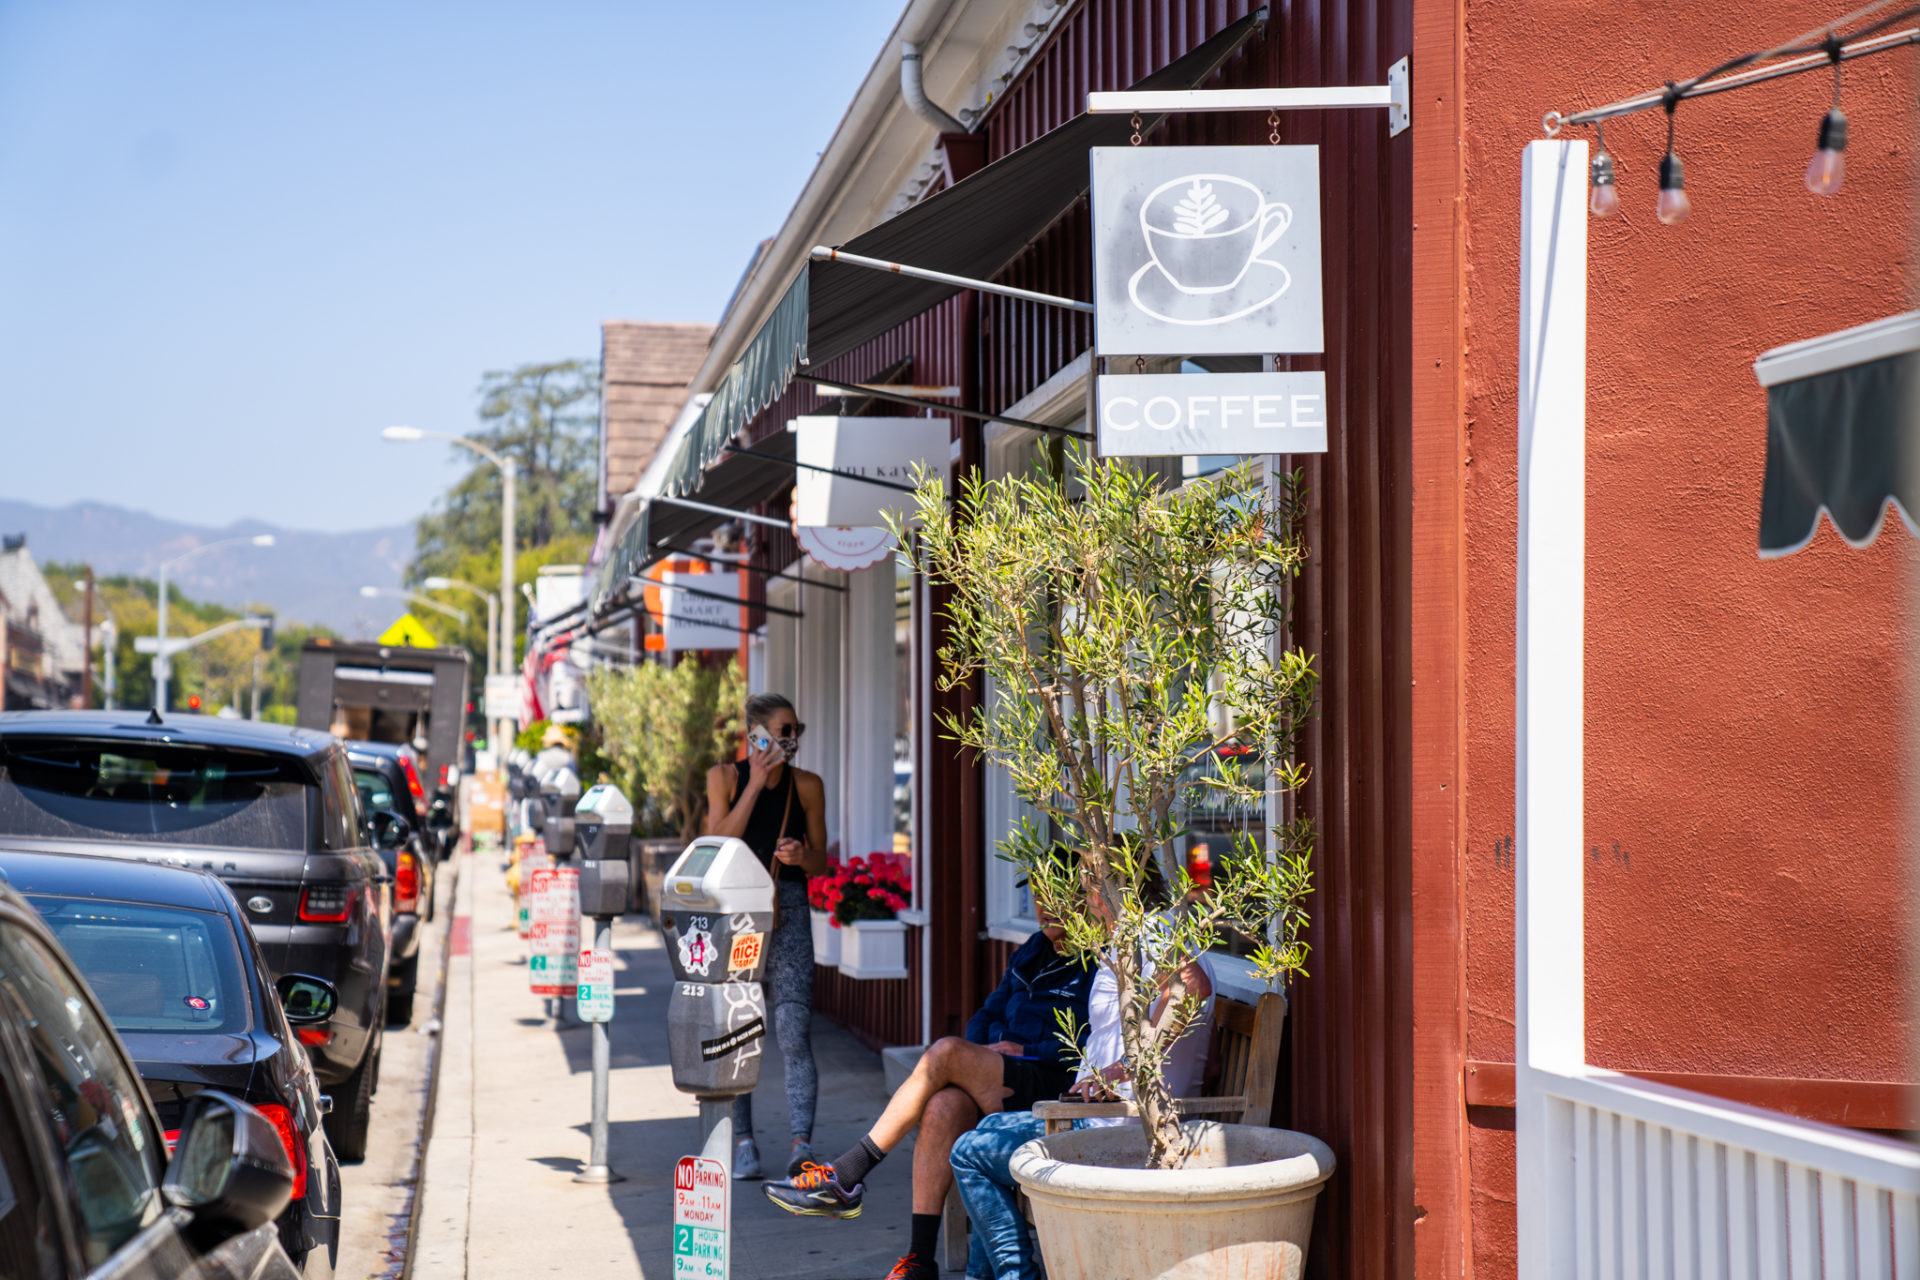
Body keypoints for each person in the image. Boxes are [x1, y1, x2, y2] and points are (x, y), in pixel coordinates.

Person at [762, 849, 1099, 1280]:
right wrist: (989, 1049)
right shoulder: (1031, 951)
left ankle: (848, 1175)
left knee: (944, 1053)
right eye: (1037, 893)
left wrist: (1024, 1049)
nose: (1043, 904)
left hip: (1054, 1084)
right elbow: (986, 1015)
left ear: (1080, 897)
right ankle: (920, 1260)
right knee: (942, 1106)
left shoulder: (1096, 961)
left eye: (1054, 893)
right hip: (1005, 1074)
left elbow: (1096, 1044)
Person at [947, 865, 1215, 1280]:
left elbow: (1192, 987)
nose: (1084, 905)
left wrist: (1120, 1071)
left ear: (1116, 891)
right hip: (1101, 1116)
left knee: (970, 1153)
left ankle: (1016, 1276)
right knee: (984, 1135)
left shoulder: (1156, 935)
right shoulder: (1129, 942)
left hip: (1128, 1125)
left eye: (1089, 892)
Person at [706, 692, 830, 1181]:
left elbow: (823, 860)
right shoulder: (724, 778)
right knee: (740, 1032)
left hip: (789, 913)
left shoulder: (807, 787)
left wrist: (803, 856)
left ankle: (802, 1142)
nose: (790, 739)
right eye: (781, 731)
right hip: (739, 917)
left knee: (793, 1030)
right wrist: (755, 784)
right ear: (753, 734)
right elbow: (716, 845)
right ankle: (743, 1141)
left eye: (794, 730)